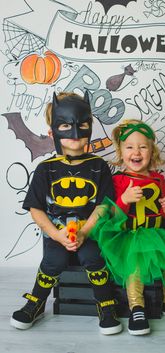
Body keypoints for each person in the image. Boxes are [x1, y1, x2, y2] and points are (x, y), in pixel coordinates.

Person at [89, 119, 165, 335]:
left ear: (151, 150)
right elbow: (109, 214)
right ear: (120, 151)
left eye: (143, 146)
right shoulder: (118, 180)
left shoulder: (157, 179)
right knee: (135, 268)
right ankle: (136, 307)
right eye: (129, 147)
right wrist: (125, 200)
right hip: (130, 236)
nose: (136, 152)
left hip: (158, 234)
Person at [10, 91, 122, 335]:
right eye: (65, 126)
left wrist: (84, 231)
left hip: (88, 231)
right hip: (57, 232)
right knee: (53, 261)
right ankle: (36, 303)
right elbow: (36, 209)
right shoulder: (45, 170)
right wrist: (56, 234)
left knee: (93, 259)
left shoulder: (98, 166)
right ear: (53, 133)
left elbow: (104, 205)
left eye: (82, 126)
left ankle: (105, 305)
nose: (75, 135)